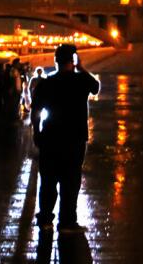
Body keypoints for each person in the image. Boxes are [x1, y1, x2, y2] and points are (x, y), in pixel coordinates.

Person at [30, 44, 99, 233]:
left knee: (48, 181)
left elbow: (36, 111)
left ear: (56, 61)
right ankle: (67, 222)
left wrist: (37, 132)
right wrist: (81, 68)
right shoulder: (81, 81)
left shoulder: (46, 83)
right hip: (74, 138)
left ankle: (45, 219)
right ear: (73, 60)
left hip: (50, 137)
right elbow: (96, 87)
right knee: (70, 181)